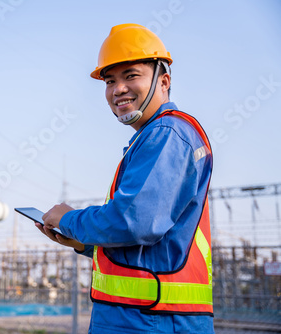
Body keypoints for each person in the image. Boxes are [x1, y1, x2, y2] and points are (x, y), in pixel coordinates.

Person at [36, 23, 214, 333]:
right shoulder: (155, 137)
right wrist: (82, 242)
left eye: (131, 75)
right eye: (110, 80)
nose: (118, 89)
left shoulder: (167, 134)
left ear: (163, 81)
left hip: (151, 319)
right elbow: (152, 243)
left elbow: (134, 222)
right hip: (144, 316)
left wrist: (69, 219)